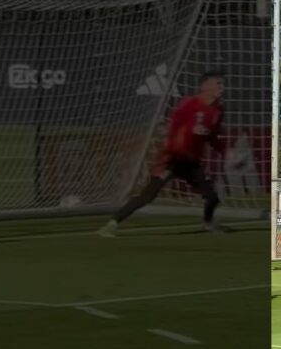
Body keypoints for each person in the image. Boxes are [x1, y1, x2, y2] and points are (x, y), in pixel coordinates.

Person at [98, 70, 237, 237]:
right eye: (218, 84)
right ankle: (112, 224)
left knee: (213, 196)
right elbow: (174, 125)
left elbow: (213, 137)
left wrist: (226, 152)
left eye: (222, 84)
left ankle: (208, 223)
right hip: (172, 158)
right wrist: (168, 148)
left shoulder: (218, 110)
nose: (222, 87)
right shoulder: (190, 103)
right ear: (204, 86)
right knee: (148, 195)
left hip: (191, 162)